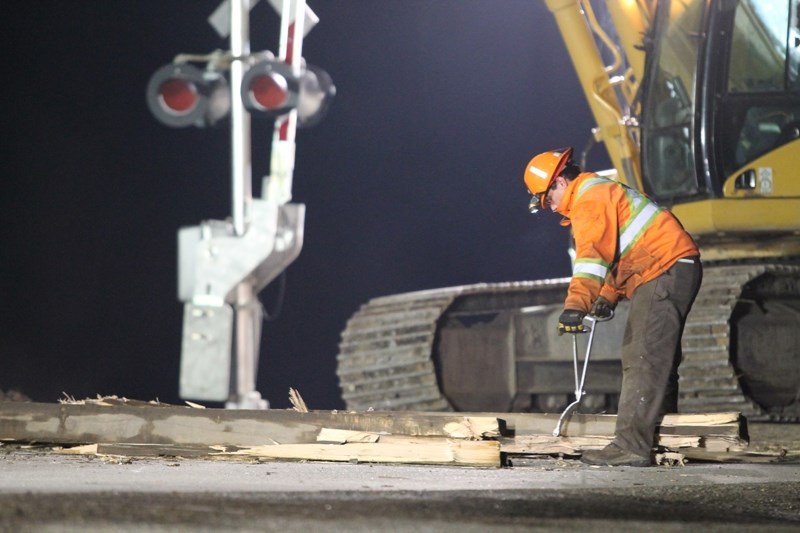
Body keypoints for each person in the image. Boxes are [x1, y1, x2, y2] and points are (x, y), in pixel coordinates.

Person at [523, 147, 702, 467]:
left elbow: (592, 258)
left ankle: (631, 446)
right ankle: (663, 437)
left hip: (663, 269)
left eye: (546, 199)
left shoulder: (589, 200)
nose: (549, 208)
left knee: (642, 355)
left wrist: (576, 305)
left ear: (559, 182)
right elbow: (624, 252)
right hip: (668, 267)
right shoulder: (600, 192)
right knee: (656, 358)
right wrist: (608, 296)